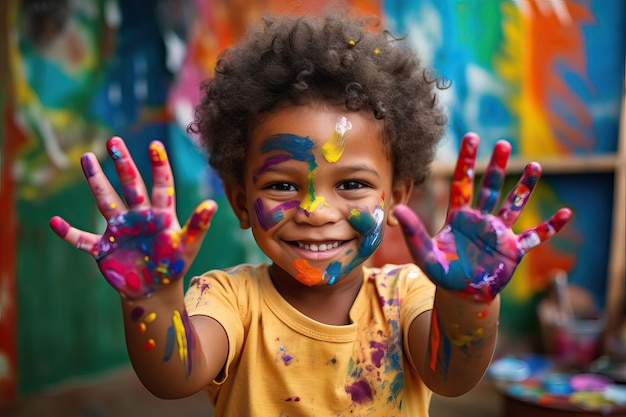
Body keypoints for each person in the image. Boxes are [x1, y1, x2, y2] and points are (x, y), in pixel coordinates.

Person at [49, 12, 572, 416]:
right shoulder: (229, 300)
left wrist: (467, 301)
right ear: (240, 202)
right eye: (282, 185)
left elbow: (453, 376)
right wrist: (154, 297)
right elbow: (173, 377)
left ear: (396, 196)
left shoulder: (407, 295)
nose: (316, 211)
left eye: (351, 184)